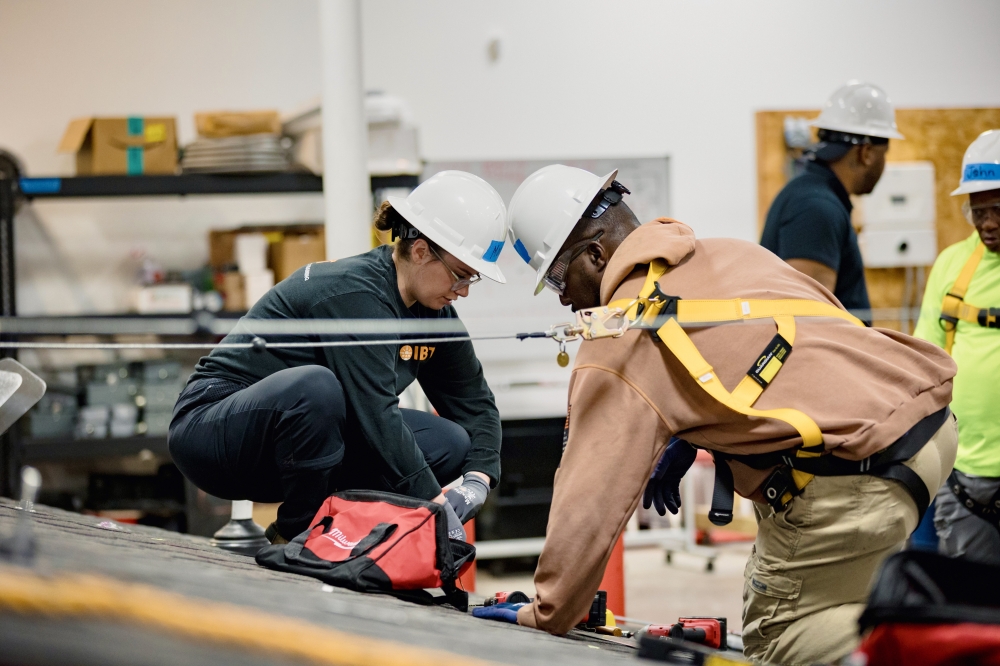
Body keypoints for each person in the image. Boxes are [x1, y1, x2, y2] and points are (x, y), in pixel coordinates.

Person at [474, 164, 958, 666]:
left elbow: (588, 499)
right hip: (929, 426)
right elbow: (813, 338)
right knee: (834, 596)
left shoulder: (619, 335)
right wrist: (697, 426)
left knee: (780, 638)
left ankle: (958, 647)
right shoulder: (727, 252)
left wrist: (549, 610)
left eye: (557, 276)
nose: (565, 299)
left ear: (596, 255)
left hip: (855, 475)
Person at [169, 171, 507, 545]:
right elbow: (375, 412)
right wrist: (434, 506)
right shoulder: (353, 293)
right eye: (460, 276)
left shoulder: (433, 312)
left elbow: (474, 402)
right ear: (422, 250)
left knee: (449, 442)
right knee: (317, 387)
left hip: (299, 448)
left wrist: (479, 478)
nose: (463, 292)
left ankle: (344, 533)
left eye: (471, 280)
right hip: (213, 431)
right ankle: (297, 535)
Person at [914, 130, 1000, 564]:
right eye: (977, 210)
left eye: (998, 209)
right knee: (972, 616)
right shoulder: (952, 265)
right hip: (967, 476)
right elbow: (922, 361)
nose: (987, 223)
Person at [761, 81, 904, 321]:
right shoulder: (817, 208)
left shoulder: (811, 196)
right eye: (884, 154)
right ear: (867, 153)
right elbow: (809, 322)